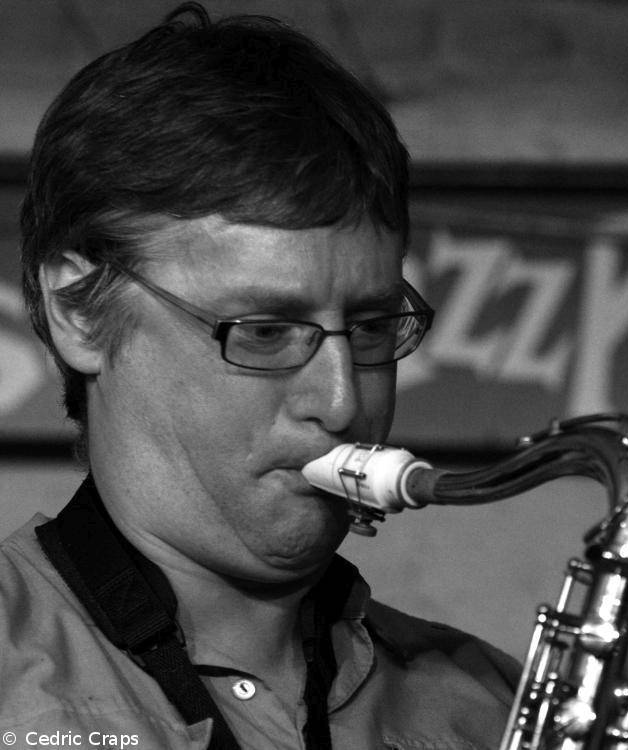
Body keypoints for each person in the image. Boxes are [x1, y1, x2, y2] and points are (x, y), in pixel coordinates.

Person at [5, 3, 519, 748]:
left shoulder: (488, 708)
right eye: (266, 331)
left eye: (371, 327)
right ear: (79, 311)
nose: (342, 403)